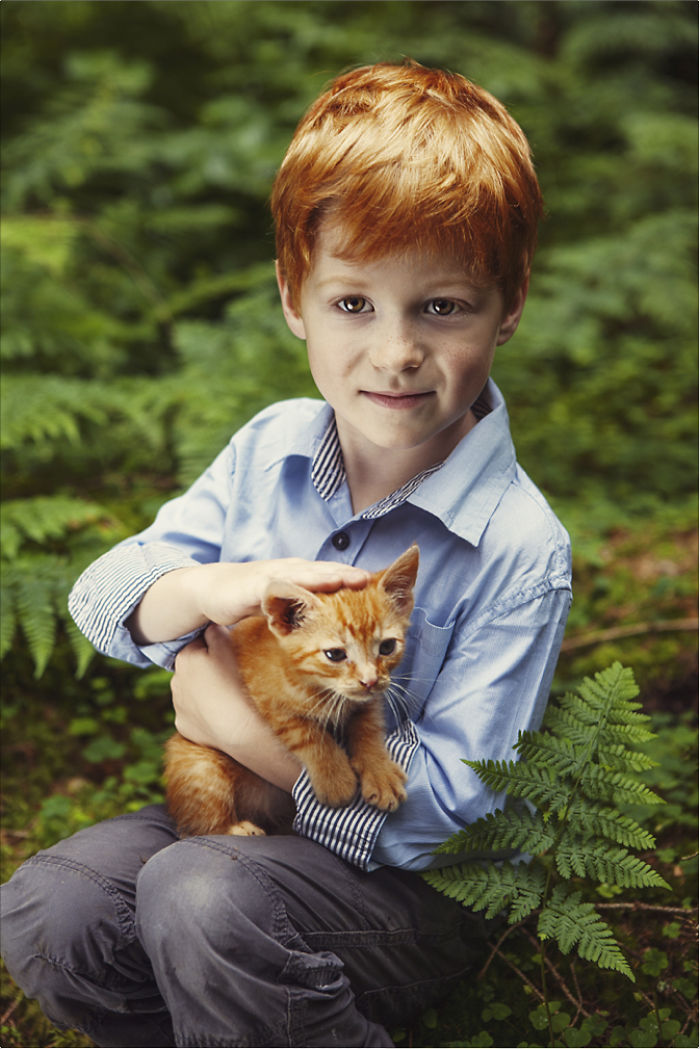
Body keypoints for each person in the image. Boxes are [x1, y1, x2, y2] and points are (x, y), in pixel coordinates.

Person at [1, 61, 572, 1048]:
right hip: (253, 834)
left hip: (412, 887)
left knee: (198, 891)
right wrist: (213, 585)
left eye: (441, 307)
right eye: (354, 303)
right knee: (55, 907)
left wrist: (227, 716)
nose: (395, 353)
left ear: (508, 301)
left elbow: (449, 818)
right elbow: (105, 596)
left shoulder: (520, 545)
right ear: (292, 293)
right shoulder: (268, 447)